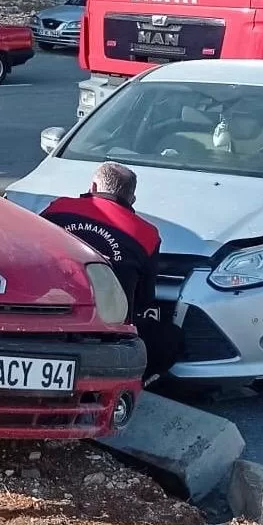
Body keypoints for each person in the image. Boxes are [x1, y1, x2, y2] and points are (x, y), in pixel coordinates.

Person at [40, 161, 181, 383]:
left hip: (46, 319)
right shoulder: (146, 234)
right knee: (170, 338)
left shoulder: (57, 209)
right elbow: (144, 300)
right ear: (132, 199)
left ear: (93, 187)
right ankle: (132, 383)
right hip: (106, 333)